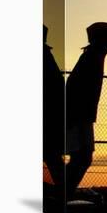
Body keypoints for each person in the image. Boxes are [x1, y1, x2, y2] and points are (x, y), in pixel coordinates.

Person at [65, 22, 107, 200]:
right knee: (82, 158)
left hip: (81, 115)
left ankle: (62, 196)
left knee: (81, 158)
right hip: (78, 116)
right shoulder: (92, 57)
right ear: (103, 38)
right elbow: (73, 87)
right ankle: (61, 196)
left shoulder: (95, 55)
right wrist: (75, 117)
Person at [43, 25, 66, 198]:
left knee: (53, 159)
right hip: (49, 117)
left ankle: (59, 198)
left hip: (50, 117)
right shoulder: (46, 56)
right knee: (53, 159)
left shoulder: (45, 56)